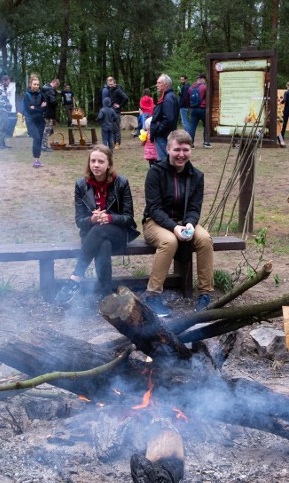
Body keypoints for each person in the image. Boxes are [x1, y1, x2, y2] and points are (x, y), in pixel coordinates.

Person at [54, 145, 139, 305]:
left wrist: (109, 218)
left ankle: (75, 278)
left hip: (118, 233)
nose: (96, 165)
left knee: (102, 232)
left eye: (101, 161)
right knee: (103, 243)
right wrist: (92, 220)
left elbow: (128, 218)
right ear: (89, 163)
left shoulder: (121, 183)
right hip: (91, 235)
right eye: (93, 161)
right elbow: (80, 221)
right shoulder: (81, 185)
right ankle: (106, 295)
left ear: (109, 164)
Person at [142, 129, 214, 314]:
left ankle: (205, 294)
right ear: (167, 149)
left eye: (185, 149)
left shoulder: (197, 176)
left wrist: (190, 223)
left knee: (205, 239)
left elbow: (194, 207)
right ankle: (152, 296)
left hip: (184, 221)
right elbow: (154, 208)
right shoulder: (155, 173)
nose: (181, 154)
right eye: (177, 150)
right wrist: (174, 227)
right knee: (170, 241)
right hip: (155, 222)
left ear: (190, 150)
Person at [150, 74, 179, 162]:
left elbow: (168, 118)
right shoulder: (168, 96)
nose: (157, 85)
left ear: (166, 84)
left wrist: (158, 130)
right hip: (165, 134)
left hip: (163, 135)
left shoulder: (168, 98)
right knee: (167, 160)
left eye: (159, 83)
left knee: (164, 161)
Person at [22, 74, 47, 167]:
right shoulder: (27, 95)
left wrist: (36, 108)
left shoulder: (41, 95)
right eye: (34, 84)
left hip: (40, 120)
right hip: (30, 120)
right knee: (36, 137)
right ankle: (36, 159)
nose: (36, 86)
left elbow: (45, 108)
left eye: (37, 85)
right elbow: (29, 110)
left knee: (39, 139)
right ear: (30, 84)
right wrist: (40, 107)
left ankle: (37, 160)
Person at [101, 76, 129, 149]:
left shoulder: (118, 90)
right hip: (110, 111)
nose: (110, 86)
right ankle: (113, 142)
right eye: (109, 84)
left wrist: (120, 105)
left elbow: (126, 98)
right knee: (112, 128)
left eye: (111, 84)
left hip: (116, 112)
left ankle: (118, 143)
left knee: (116, 128)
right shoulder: (109, 90)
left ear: (114, 83)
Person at [188, 73, 211, 148]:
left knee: (193, 127)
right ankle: (206, 142)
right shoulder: (204, 87)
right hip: (203, 109)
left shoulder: (190, 88)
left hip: (193, 109)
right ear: (203, 79)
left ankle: (191, 144)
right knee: (206, 125)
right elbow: (209, 97)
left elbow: (188, 99)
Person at [41, 78, 60, 153]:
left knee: (44, 129)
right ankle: (44, 146)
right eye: (57, 85)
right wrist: (57, 101)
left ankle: (42, 145)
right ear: (55, 83)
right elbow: (53, 101)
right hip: (49, 112)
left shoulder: (44, 88)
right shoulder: (51, 90)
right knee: (47, 129)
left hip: (44, 111)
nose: (56, 87)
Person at [0, 75, 14, 149]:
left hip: (4, 110)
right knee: (2, 126)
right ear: (4, 81)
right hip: (2, 110)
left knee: (4, 125)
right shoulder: (0, 88)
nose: (9, 83)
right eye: (8, 81)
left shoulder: (3, 88)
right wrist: (8, 105)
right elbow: (0, 100)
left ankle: (2, 143)